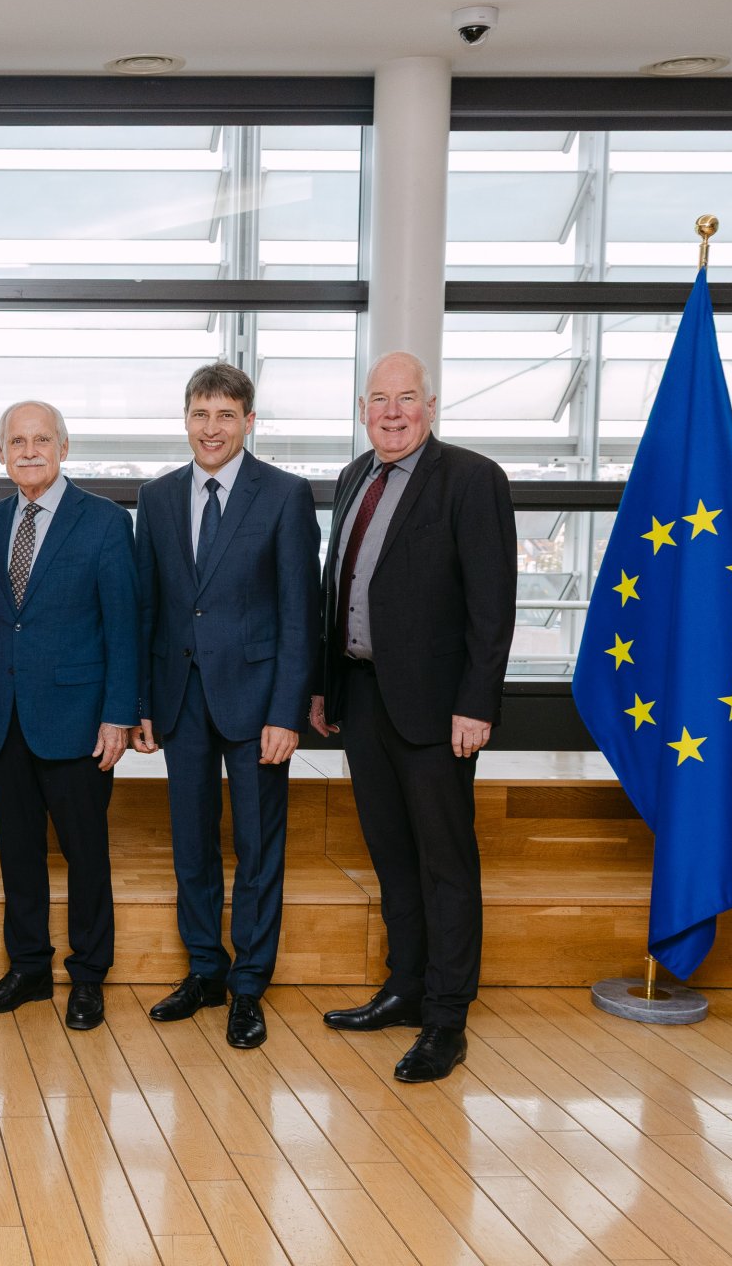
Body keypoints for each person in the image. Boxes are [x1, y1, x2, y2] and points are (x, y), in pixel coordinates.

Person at [308, 351, 516, 1084]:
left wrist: (476, 702)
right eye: (378, 400)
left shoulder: (470, 479)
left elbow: (493, 605)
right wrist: (324, 687)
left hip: (437, 709)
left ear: (430, 406)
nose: (391, 413)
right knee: (392, 855)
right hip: (363, 698)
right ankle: (404, 987)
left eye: (406, 399)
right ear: (363, 409)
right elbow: (343, 589)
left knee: (445, 864)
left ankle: (446, 1018)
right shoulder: (352, 478)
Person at [133, 362, 320, 1049]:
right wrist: (147, 703)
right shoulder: (155, 500)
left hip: (257, 705)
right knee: (192, 847)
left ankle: (248, 987)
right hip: (180, 700)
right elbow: (150, 608)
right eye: (200, 414)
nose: (211, 428)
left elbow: (302, 613)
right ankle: (205, 971)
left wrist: (287, 712)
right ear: (185, 420)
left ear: (248, 422)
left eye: (225, 415)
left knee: (258, 847)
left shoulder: (284, 495)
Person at [0, 400, 138, 1031]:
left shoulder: (106, 522)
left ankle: (89, 975)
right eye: (16, 440)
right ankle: (29, 967)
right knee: (19, 853)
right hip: (4, 719)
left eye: (41, 439)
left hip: (79, 719)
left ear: (63, 447)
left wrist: (119, 715)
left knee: (86, 853)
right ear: (1, 453)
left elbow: (124, 627)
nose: (29, 450)